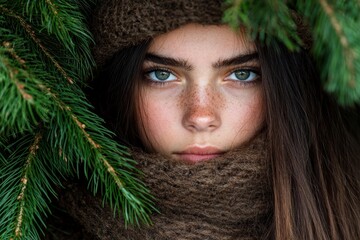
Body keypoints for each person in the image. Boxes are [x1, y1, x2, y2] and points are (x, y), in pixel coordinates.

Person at [52, 0, 360, 239]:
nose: (200, 116)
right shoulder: (40, 220)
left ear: (282, 87)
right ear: (121, 85)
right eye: (162, 75)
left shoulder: (344, 216)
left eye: (242, 74)